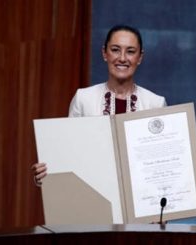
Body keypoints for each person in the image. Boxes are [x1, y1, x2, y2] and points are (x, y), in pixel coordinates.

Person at [32, 25, 167, 186]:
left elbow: (162, 165)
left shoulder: (156, 103)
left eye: (130, 51)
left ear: (140, 57)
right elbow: (69, 152)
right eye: (115, 49)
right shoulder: (83, 98)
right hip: (93, 195)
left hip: (140, 197)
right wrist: (46, 175)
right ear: (105, 53)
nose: (122, 58)